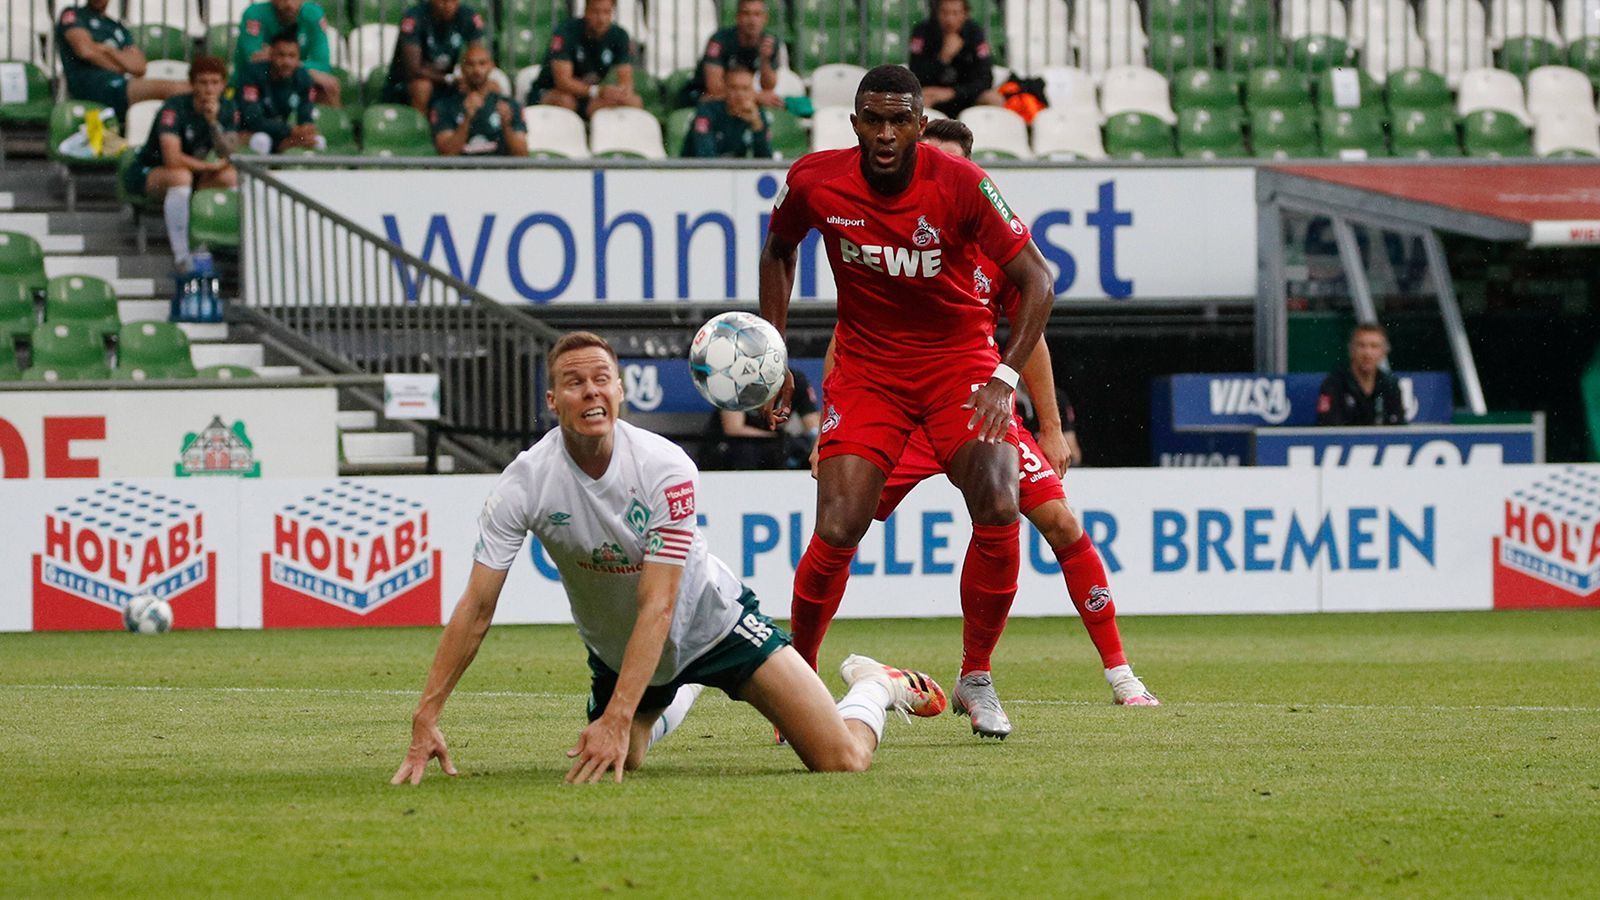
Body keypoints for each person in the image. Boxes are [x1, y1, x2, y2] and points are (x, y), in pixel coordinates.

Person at [389, 332, 946, 785]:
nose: (590, 392)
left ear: (621, 392)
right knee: (621, 760)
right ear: (552, 401)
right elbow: (477, 607)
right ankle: (667, 695)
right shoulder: (526, 484)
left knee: (841, 760)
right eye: (574, 383)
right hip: (619, 648)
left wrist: (615, 716)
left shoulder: (664, 467)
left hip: (714, 625)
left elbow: (659, 603)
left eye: (601, 379)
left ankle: (876, 685)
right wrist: (425, 715)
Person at [808, 119, 1157, 736]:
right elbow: (846, 336)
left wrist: (1049, 426)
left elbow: (1034, 340)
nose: (936, 174)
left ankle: (1111, 673)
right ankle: (798, 675)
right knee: (840, 527)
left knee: (1059, 520)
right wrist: (828, 429)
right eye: (929, 159)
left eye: (951, 165)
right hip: (889, 405)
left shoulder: (992, 243)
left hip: (971, 402)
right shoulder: (888, 234)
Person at [758, 66, 1055, 737]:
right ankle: (796, 682)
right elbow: (779, 251)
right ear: (855, 122)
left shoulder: (965, 185)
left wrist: (1005, 377)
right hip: (868, 370)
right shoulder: (815, 179)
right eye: (873, 120)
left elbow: (1037, 280)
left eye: (900, 121)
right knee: (838, 525)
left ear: (922, 124)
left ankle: (975, 676)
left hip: (959, 366)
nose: (886, 134)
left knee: (1000, 501)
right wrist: (774, 350)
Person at [123, 55, 240, 272]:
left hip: (195, 171)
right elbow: (172, 159)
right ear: (192, 84)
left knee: (230, 177)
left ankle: (218, 242)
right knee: (181, 176)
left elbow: (229, 152)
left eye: (215, 83)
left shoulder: (227, 108)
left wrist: (213, 122)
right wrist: (208, 167)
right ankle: (182, 256)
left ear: (223, 85)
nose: (209, 89)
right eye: (203, 82)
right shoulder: (174, 107)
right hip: (151, 171)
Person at [55, 0, 186, 122]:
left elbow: (139, 67)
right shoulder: (73, 14)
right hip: (92, 87)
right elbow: (86, 51)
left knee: (185, 91)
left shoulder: (117, 26)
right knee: (174, 89)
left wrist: (108, 50)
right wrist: (121, 65)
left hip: (119, 87)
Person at [529, 0, 642, 118]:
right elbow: (563, 82)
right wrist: (597, 91)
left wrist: (621, 93)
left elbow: (625, 78)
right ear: (586, 11)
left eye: (607, 12)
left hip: (588, 96)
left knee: (634, 101)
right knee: (566, 101)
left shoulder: (620, 35)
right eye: (596, 12)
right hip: (550, 91)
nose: (601, 19)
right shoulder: (566, 31)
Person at [703, 366, 820, 470]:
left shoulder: (796, 381)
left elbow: (813, 426)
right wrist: (777, 436)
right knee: (748, 451)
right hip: (735, 444)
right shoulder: (736, 377)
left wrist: (813, 443)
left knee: (800, 451)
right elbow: (733, 428)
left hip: (775, 444)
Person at [383, 0, 487, 113]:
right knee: (422, 87)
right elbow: (414, 70)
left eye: (452, 1)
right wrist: (449, 79)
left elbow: (477, 54)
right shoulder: (414, 16)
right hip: (408, 85)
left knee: (489, 85)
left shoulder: (468, 15)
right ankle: (421, 128)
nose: (448, 6)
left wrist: (469, 78)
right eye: (443, 1)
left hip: (447, 81)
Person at [908, 0, 1004, 119]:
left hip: (964, 95)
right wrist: (943, 58)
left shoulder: (974, 33)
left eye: (955, 13)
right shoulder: (922, 31)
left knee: (993, 98)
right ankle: (925, 136)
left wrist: (954, 92)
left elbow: (985, 79)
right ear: (937, 13)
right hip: (933, 95)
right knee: (919, 99)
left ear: (965, 14)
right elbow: (916, 74)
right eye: (944, 12)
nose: (949, 19)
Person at [234, 0, 340, 106]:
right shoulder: (254, 13)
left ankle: (330, 122)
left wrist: (277, 57)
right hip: (259, 83)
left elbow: (322, 65)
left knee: (328, 87)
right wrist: (303, 67)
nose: (289, 4)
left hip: (294, 80)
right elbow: (254, 59)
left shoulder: (314, 13)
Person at [679, 0, 781, 109]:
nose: (752, 20)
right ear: (737, 17)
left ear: (765, 19)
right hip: (702, 93)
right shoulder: (720, 40)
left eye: (757, 15)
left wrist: (765, 60)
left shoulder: (768, 42)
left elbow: (768, 86)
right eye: (746, 14)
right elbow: (714, 88)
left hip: (737, 96)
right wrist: (754, 96)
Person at [431, 44, 528, 156]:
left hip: (499, 171)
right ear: (462, 68)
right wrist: (466, 118)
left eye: (482, 64)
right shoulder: (444, 106)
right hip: (460, 171)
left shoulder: (510, 105)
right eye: (470, 64)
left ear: (491, 66)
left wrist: (506, 126)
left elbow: (522, 154)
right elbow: (447, 154)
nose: (476, 70)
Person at [237, 32, 321, 154]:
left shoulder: (304, 78)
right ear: (271, 55)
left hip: (284, 134)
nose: (286, 61)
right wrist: (290, 131)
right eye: (281, 55)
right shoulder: (252, 74)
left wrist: (306, 129)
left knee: (318, 141)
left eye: (292, 56)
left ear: (298, 58)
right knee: (262, 141)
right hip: (251, 132)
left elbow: (306, 113)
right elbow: (253, 118)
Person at [1317, 323, 1406, 426]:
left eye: (1374, 346)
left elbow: (1398, 425)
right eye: (1361, 346)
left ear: (1383, 352)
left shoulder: (1390, 384)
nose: (1367, 353)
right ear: (1351, 350)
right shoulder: (1334, 383)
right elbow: (1327, 426)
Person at [683, 65, 771, 159]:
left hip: (737, 171)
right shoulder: (707, 112)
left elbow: (765, 160)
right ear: (725, 90)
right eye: (734, 88)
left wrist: (757, 126)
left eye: (745, 88)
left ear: (753, 92)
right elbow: (706, 156)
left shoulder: (757, 115)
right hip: (697, 171)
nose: (739, 94)